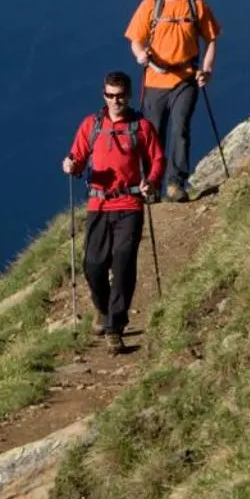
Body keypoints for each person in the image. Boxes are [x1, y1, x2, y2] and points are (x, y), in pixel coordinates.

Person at [62, 70, 163, 350]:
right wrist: (71, 164)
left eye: (119, 96)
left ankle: (114, 327)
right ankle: (104, 309)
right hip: (98, 204)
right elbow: (78, 157)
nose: (115, 101)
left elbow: (157, 159)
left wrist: (151, 182)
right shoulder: (91, 125)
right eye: (110, 95)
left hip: (129, 204)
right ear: (103, 95)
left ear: (128, 96)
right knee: (93, 267)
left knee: (122, 265)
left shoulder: (141, 127)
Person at [125, 0, 221, 202]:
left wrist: (207, 69)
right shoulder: (150, 5)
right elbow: (135, 40)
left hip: (185, 78)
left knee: (181, 128)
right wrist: (140, 56)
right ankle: (152, 185)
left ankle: (175, 184)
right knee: (153, 134)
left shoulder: (196, 5)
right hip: (155, 79)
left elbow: (211, 38)